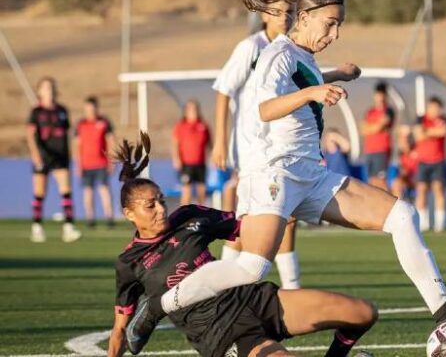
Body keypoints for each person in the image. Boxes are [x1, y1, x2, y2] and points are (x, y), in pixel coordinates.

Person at [125, 0, 446, 352]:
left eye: (340, 25)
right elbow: (266, 108)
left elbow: (300, 81)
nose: (335, 33)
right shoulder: (276, 54)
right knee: (250, 268)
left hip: (311, 175)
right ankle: (158, 305)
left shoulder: (302, 57)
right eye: (330, 23)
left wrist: (333, 75)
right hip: (274, 174)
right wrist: (316, 91)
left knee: (402, 215)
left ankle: (444, 309)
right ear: (303, 18)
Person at [107, 133, 378, 357]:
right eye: (150, 206)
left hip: (253, 298)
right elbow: (121, 330)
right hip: (220, 331)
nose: (161, 210)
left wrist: (282, 211)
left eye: (162, 201)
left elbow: (245, 228)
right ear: (128, 213)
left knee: (362, 313)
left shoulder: (189, 217)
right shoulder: (129, 262)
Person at [209, 0, 301, 289]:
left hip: (285, 145)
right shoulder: (251, 47)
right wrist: (221, 142)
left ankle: (290, 287)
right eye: (277, 12)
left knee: (287, 214)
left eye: (290, 12)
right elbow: (224, 90)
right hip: (253, 148)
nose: (285, 17)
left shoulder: (293, 49)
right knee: (250, 217)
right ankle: (222, 285)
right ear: (264, 15)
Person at [26, 76, 82, 243]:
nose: (49, 90)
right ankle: (37, 227)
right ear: (39, 91)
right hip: (43, 156)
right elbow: (30, 135)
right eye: (46, 87)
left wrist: (71, 153)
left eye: (51, 87)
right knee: (39, 193)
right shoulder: (36, 112)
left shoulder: (62, 110)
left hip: (60, 156)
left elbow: (68, 134)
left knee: (66, 191)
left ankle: (68, 227)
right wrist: (36, 155)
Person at [74, 96, 116, 229]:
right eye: (87, 109)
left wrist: (111, 161)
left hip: (102, 164)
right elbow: (76, 146)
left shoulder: (104, 123)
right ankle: (90, 219)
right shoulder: (80, 124)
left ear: (96, 109)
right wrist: (78, 165)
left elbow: (111, 142)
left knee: (104, 190)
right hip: (86, 165)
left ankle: (109, 218)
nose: (90, 112)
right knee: (88, 192)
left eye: (92, 109)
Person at [413, 97, 446, 232]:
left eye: (438, 108)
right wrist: (433, 132)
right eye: (433, 108)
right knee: (421, 190)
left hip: (438, 160)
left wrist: (426, 132)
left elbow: (443, 131)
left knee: (438, 189)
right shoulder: (420, 119)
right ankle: (424, 223)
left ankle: (440, 224)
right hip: (423, 161)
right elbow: (418, 136)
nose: (435, 111)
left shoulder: (444, 119)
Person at [172, 99, 210, 206]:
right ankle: (184, 216)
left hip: (201, 163)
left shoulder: (203, 125)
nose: (194, 111)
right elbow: (175, 144)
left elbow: (209, 144)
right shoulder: (181, 126)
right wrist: (176, 159)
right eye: (191, 109)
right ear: (186, 111)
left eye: (195, 108)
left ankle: (200, 215)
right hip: (186, 164)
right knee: (186, 192)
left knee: (202, 191)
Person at [360, 81, 394, 191]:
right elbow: (363, 130)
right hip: (370, 150)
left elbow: (378, 127)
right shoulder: (370, 112)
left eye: (382, 94)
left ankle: (390, 205)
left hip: (382, 150)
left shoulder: (389, 111)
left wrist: (372, 127)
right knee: (372, 182)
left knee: (381, 181)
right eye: (377, 94)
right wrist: (373, 128)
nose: (379, 97)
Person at [391, 125, 418, 201]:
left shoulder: (417, 151)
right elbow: (402, 172)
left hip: (418, 178)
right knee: (396, 183)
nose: (402, 143)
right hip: (407, 178)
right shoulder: (401, 155)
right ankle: (399, 205)